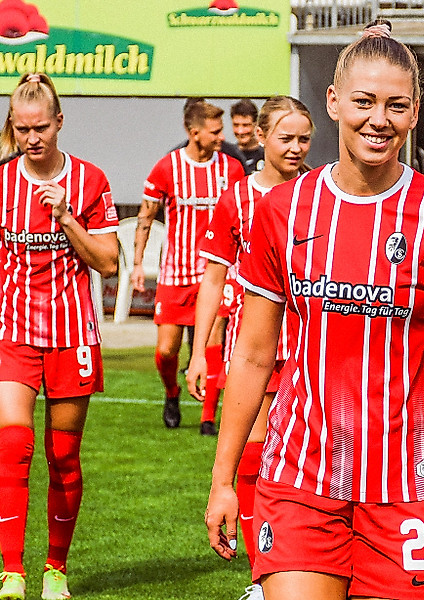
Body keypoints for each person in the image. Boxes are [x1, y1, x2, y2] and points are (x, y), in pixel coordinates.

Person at [204, 19, 424, 600]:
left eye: (396, 105)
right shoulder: (283, 210)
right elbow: (254, 355)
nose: (378, 119)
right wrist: (223, 479)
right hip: (300, 478)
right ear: (334, 102)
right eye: (364, 102)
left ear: (414, 113)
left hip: (406, 483)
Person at [187, 95, 313, 600]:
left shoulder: (320, 193)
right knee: (254, 453)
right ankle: (264, 575)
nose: (296, 148)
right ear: (260, 137)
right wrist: (200, 352)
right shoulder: (236, 199)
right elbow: (213, 278)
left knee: (310, 459)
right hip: (255, 345)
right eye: (286, 138)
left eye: (304, 139)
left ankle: (319, 563)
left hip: (311, 344)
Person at [0, 73, 119, 600]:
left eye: (41, 128)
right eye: (23, 129)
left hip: (73, 336)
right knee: (12, 445)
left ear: (59, 122)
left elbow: (108, 263)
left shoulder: (90, 179)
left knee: (63, 456)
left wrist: (66, 217)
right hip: (15, 332)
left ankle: (55, 568)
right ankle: (12, 572)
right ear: (12, 126)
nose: (32, 138)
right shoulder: (3, 181)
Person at [134, 99, 243, 429]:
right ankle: (172, 392)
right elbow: (146, 216)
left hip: (218, 270)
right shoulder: (167, 168)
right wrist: (137, 263)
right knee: (167, 350)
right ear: (194, 133)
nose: (221, 137)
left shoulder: (231, 169)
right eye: (215, 131)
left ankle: (208, 417)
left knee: (213, 342)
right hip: (176, 272)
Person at [230, 99, 265, 175]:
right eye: (236, 125)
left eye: (245, 125)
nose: (240, 131)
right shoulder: (228, 155)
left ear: (256, 124)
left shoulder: (266, 154)